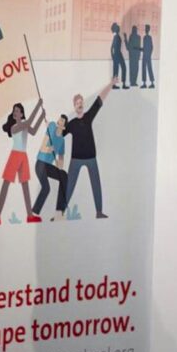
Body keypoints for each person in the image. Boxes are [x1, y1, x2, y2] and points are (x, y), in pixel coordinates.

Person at [0, 98, 45, 226]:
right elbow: (28, 122)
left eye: (17, 111)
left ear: (21, 113)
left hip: (23, 156)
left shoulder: (24, 125)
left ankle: (29, 215)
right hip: (15, 156)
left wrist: (41, 116)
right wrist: (38, 106)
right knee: (5, 185)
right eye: (14, 111)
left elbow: (33, 131)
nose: (15, 113)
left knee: (25, 185)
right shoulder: (14, 127)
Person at [63, 78, 116, 219]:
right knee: (69, 186)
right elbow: (60, 134)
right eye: (77, 103)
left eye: (81, 102)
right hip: (75, 160)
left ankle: (99, 212)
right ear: (74, 106)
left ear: (83, 104)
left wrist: (110, 84)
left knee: (96, 184)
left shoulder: (88, 116)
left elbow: (100, 99)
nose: (79, 105)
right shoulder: (72, 123)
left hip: (91, 158)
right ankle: (60, 212)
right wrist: (53, 128)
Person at [32, 114, 69, 220]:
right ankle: (34, 213)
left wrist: (59, 165)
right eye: (60, 119)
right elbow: (43, 147)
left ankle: (59, 212)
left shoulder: (62, 140)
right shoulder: (52, 126)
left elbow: (61, 158)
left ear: (64, 127)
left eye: (62, 120)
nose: (59, 120)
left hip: (47, 166)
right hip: (40, 163)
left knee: (64, 176)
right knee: (46, 188)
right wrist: (50, 148)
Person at [110, 23, 128, 90]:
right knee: (120, 68)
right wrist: (113, 56)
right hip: (117, 54)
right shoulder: (116, 37)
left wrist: (113, 56)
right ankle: (120, 85)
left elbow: (111, 48)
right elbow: (111, 48)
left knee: (119, 68)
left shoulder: (116, 36)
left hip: (117, 54)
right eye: (118, 28)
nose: (119, 28)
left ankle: (120, 84)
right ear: (116, 29)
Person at [141, 24, 155, 89]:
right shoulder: (144, 37)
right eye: (145, 29)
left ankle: (152, 83)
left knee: (149, 68)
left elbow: (152, 47)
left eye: (147, 29)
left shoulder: (149, 37)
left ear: (148, 30)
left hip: (148, 56)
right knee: (144, 68)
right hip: (144, 55)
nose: (146, 30)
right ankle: (144, 83)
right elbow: (144, 48)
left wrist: (149, 54)